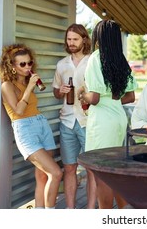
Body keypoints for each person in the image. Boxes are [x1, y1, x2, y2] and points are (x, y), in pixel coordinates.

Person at [77, 20, 138, 209]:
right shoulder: (121, 59)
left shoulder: (95, 58)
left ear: (99, 37)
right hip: (118, 118)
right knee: (115, 171)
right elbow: (131, 96)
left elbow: (93, 98)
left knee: (101, 173)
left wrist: (81, 94)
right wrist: (111, 101)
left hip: (102, 121)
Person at [0, 44, 63, 209]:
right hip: (25, 130)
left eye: (29, 63)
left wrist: (29, 85)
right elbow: (18, 111)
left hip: (41, 125)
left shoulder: (26, 81)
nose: (28, 67)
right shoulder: (7, 86)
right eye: (22, 64)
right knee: (56, 173)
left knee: (42, 176)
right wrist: (29, 88)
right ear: (12, 66)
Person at [52, 23, 93, 209]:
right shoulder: (61, 65)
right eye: (69, 39)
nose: (71, 43)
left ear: (84, 39)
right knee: (69, 167)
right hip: (67, 122)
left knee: (92, 169)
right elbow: (55, 91)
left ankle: (92, 210)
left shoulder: (93, 62)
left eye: (75, 39)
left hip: (88, 121)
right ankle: (70, 210)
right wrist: (60, 91)